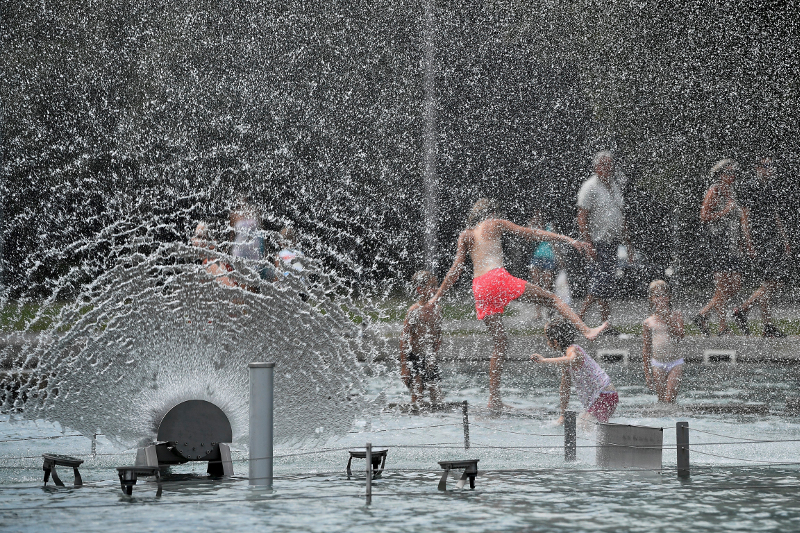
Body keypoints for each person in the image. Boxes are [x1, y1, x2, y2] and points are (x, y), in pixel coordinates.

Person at [429, 198, 607, 411]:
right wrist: (567, 239)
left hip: (480, 287)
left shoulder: (465, 235)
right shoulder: (495, 223)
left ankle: (493, 399)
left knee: (500, 343)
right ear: (491, 213)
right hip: (497, 279)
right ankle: (587, 330)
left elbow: (455, 271)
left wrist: (436, 297)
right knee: (552, 299)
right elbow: (532, 233)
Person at [693, 159, 754, 336]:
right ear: (720, 174)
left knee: (734, 286)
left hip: (733, 244)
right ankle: (722, 327)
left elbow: (739, 220)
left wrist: (743, 243)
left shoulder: (732, 191)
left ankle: (703, 314)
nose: (733, 175)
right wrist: (724, 212)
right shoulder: (715, 189)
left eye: (734, 172)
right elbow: (703, 216)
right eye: (729, 172)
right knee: (722, 287)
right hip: (719, 243)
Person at [732, 157, 791, 338]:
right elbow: (744, 217)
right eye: (767, 166)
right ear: (758, 168)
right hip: (759, 239)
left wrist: (785, 239)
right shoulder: (750, 186)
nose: (770, 169)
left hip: (772, 238)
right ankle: (752, 316)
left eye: (771, 166)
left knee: (773, 281)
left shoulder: (770, 187)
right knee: (772, 281)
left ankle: (755, 317)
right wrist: (749, 243)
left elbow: (775, 215)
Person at [576, 151, 633, 334]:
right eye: (603, 165)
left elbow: (620, 217)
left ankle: (605, 324)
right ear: (596, 167)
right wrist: (588, 244)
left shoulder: (615, 186)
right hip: (597, 241)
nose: (607, 168)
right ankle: (577, 321)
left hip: (612, 241)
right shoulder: (590, 187)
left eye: (610, 164)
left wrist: (629, 244)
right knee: (600, 283)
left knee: (605, 285)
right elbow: (581, 218)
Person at [530, 320, 618, 425]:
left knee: (584, 426)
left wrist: (544, 360)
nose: (547, 342)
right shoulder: (565, 359)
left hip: (604, 395)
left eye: (547, 339)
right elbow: (565, 388)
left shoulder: (573, 350)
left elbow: (571, 359)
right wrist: (562, 414)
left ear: (555, 342)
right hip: (603, 397)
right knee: (590, 426)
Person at [399, 271, 443, 406]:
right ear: (420, 289)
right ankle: (416, 417)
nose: (435, 289)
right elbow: (404, 338)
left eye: (436, 285)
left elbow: (438, 335)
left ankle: (438, 419)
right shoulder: (414, 310)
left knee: (436, 392)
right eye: (431, 286)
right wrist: (404, 365)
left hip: (429, 357)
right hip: (415, 357)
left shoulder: (437, 309)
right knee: (417, 393)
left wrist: (434, 355)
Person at [642, 280, 684, 403]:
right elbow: (646, 348)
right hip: (657, 363)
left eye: (664, 295)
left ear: (669, 297)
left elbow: (679, 336)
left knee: (669, 399)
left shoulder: (676, 315)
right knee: (661, 400)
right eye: (657, 296)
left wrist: (667, 319)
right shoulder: (648, 321)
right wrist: (647, 373)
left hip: (675, 362)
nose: (661, 298)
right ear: (651, 299)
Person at [528, 211, 559, 320]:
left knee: (547, 287)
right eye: (536, 216)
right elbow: (528, 239)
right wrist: (532, 224)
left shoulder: (550, 226)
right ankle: (538, 313)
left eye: (539, 215)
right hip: (536, 258)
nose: (538, 217)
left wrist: (558, 257)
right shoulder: (533, 228)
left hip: (549, 258)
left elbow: (555, 243)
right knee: (536, 286)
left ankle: (549, 311)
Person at [192, 222, 235, 287]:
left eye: (198, 236)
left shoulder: (213, 265)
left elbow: (233, 295)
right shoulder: (219, 262)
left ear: (212, 243)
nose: (192, 239)